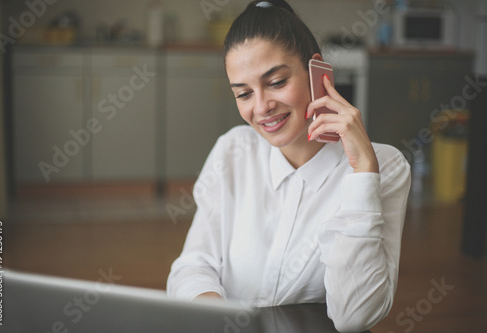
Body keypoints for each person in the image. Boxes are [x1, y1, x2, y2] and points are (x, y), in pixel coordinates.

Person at [167, 1, 411, 331]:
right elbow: (194, 264)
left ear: (318, 72)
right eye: (243, 94)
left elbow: (356, 316)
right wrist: (221, 317)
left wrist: (363, 170)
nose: (262, 107)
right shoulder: (233, 149)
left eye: (277, 82)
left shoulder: (385, 167)